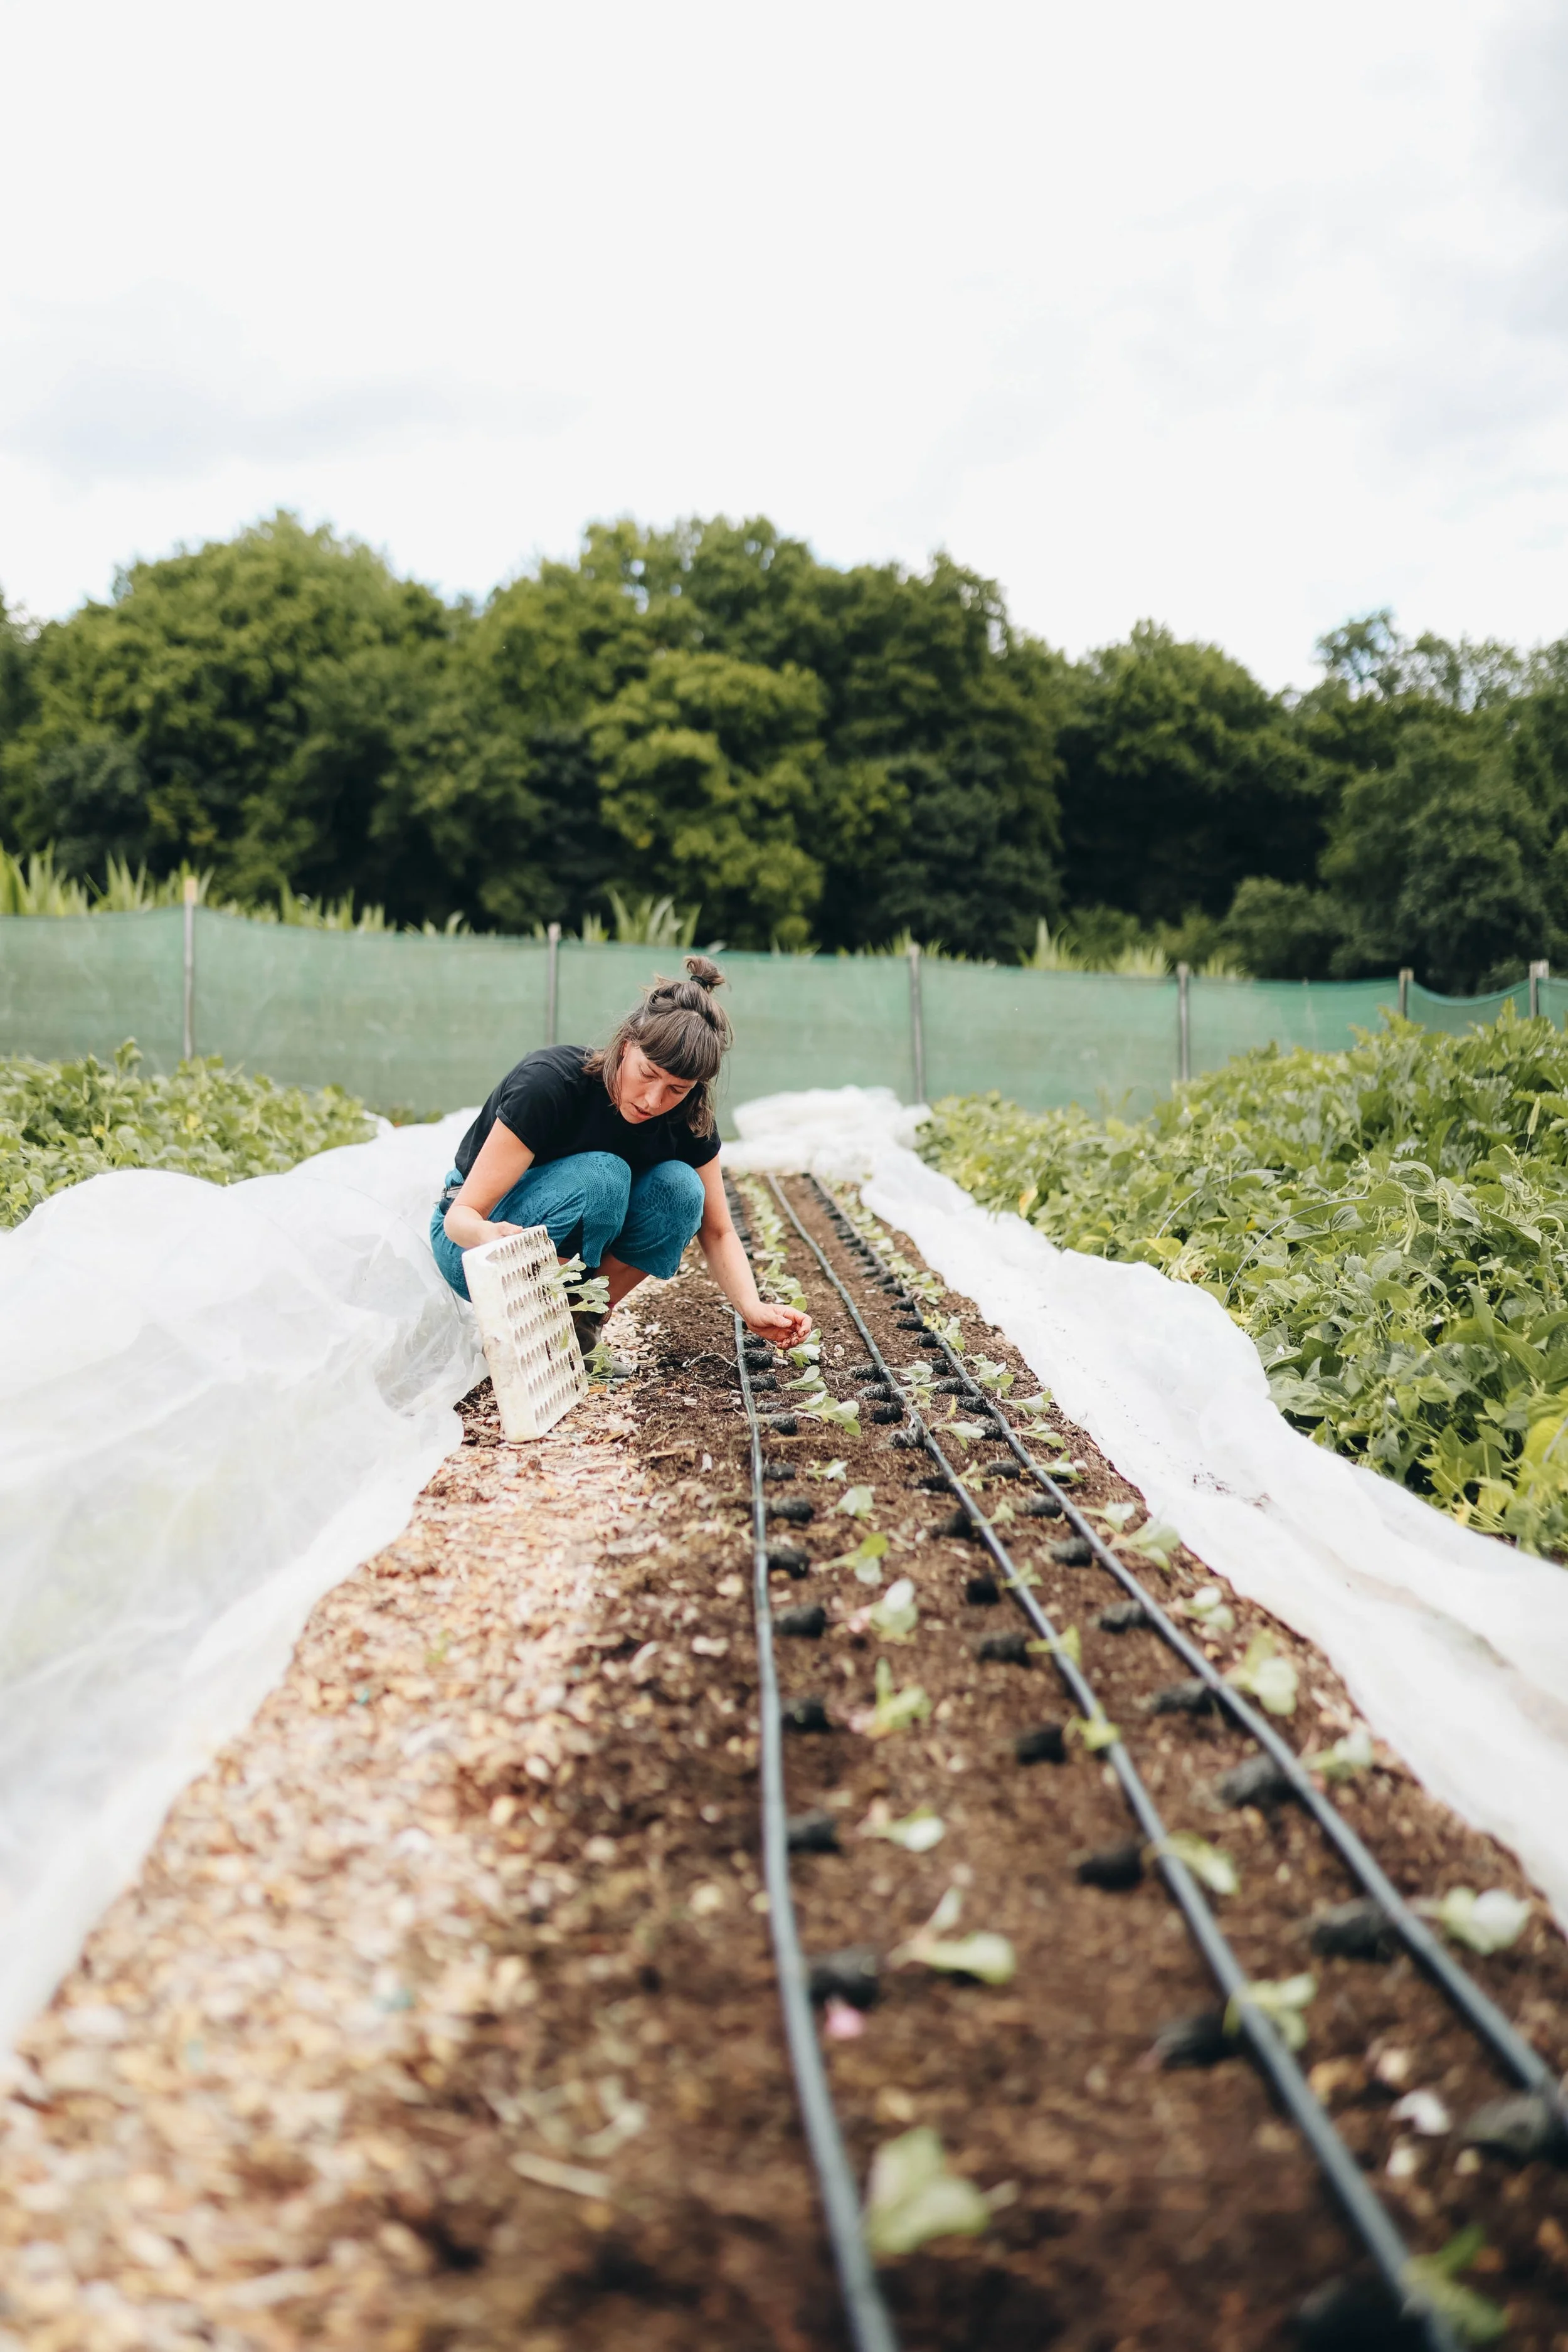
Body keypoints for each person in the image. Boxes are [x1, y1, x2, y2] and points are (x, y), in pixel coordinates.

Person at [430, 955, 813, 1363]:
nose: (654, 1100)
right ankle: (537, 1325)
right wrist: (492, 1238)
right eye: (647, 1074)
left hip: (557, 1251)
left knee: (682, 1190)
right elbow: (461, 1217)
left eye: (676, 1089)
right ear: (627, 1045)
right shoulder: (549, 1084)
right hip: (475, 1251)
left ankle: (580, 1324)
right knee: (605, 1174)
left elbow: (718, 1232)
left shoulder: (689, 1120)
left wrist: (752, 1308)